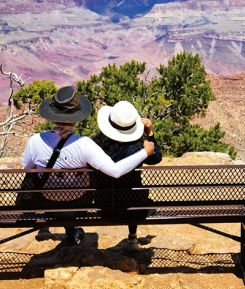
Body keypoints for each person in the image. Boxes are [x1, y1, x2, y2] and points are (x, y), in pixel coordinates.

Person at [21, 86, 155, 246]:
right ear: (77, 118)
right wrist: (145, 152)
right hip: (79, 205)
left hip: (48, 204)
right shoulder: (84, 144)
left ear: (52, 115)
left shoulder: (35, 141)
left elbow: (27, 169)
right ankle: (73, 230)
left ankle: (66, 230)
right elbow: (115, 171)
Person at [92, 101, 162, 252]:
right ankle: (132, 237)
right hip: (133, 210)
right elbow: (156, 158)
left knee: (124, 193)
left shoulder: (96, 147)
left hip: (104, 208)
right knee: (132, 193)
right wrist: (149, 133)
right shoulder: (139, 149)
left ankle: (71, 237)